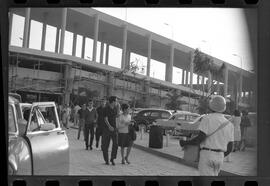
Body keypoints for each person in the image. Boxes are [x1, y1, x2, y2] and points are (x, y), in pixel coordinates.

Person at [179, 95, 234, 176]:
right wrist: (219, 154)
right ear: (223, 108)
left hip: (207, 155)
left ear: (211, 106)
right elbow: (230, 147)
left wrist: (185, 143)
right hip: (220, 157)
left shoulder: (207, 119)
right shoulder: (229, 124)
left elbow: (200, 138)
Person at [102, 96, 118, 165]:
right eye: (116, 101)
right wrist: (109, 126)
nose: (117, 102)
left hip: (114, 129)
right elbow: (105, 119)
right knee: (105, 145)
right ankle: (106, 160)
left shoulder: (115, 109)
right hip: (107, 129)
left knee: (116, 144)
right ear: (113, 101)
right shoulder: (106, 109)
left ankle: (112, 158)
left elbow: (115, 118)